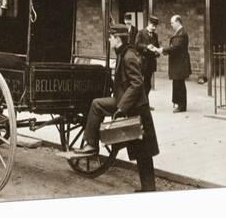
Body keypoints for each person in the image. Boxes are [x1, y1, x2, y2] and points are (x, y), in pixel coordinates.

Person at [77, 24, 159, 192]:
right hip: (134, 105)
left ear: (118, 39)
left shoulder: (128, 56)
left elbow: (137, 84)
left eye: (111, 37)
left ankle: (91, 144)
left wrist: (121, 107)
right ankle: (149, 189)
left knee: (96, 104)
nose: (109, 39)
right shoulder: (124, 53)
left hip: (136, 108)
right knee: (143, 151)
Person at [157, 15, 191, 113]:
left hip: (180, 63)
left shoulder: (182, 33)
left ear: (178, 22)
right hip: (178, 62)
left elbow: (175, 47)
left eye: (172, 23)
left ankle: (181, 105)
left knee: (179, 83)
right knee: (177, 82)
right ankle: (177, 102)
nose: (171, 25)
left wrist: (163, 49)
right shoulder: (179, 32)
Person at [135, 15, 160, 110]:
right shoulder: (141, 33)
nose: (154, 28)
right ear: (149, 24)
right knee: (140, 83)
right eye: (153, 26)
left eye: (155, 26)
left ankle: (145, 104)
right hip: (142, 62)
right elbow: (137, 45)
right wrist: (146, 46)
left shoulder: (155, 35)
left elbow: (157, 46)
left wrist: (157, 52)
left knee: (148, 84)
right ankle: (140, 104)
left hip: (150, 63)